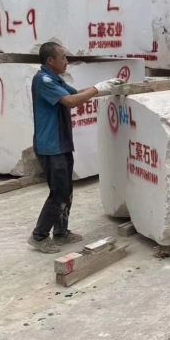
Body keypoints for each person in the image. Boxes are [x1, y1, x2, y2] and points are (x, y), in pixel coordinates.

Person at [28, 41, 121, 253]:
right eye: (63, 57)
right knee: (59, 192)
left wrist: (103, 87)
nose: (67, 61)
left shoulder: (55, 79)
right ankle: (39, 236)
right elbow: (70, 101)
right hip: (51, 146)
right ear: (50, 60)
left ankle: (61, 233)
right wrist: (98, 88)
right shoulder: (43, 80)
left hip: (61, 143)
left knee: (66, 190)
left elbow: (76, 93)